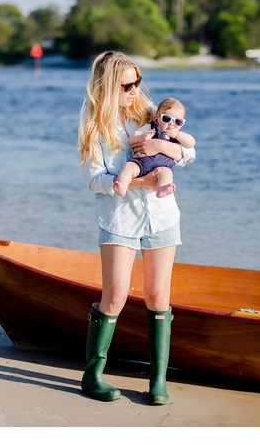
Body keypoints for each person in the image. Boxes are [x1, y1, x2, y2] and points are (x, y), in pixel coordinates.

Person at [77, 51, 195, 405]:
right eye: (127, 84)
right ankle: (93, 375)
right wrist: (138, 182)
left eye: (137, 82)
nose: (134, 89)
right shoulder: (94, 127)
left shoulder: (151, 115)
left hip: (162, 216)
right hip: (119, 219)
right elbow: (96, 180)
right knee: (115, 295)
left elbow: (189, 153)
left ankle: (158, 382)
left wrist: (162, 146)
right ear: (109, 85)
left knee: (159, 296)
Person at [113, 97, 196, 198]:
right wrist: (142, 137)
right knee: (128, 167)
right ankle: (122, 185)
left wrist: (176, 135)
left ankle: (162, 189)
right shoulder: (150, 128)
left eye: (177, 122)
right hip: (142, 163)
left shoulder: (178, 135)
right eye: (166, 119)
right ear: (156, 119)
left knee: (167, 173)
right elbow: (131, 139)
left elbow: (191, 144)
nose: (171, 124)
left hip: (163, 166)